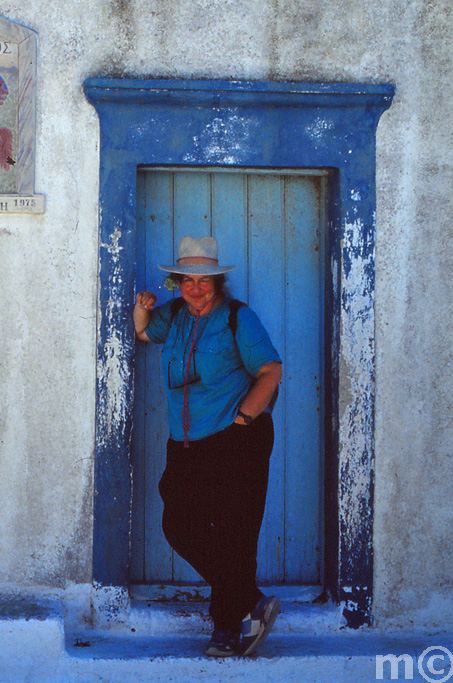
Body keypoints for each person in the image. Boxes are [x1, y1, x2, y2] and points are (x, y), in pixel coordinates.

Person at [133, 235, 284, 657]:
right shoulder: (175, 315)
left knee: (233, 533)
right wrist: (141, 308)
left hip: (235, 438)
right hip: (185, 442)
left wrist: (243, 421)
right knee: (178, 525)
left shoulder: (238, 317)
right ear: (178, 283)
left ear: (218, 283)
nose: (196, 288)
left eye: (205, 281)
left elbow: (271, 370)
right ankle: (249, 600)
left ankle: (227, 629)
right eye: (187, 280)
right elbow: (145, 335)